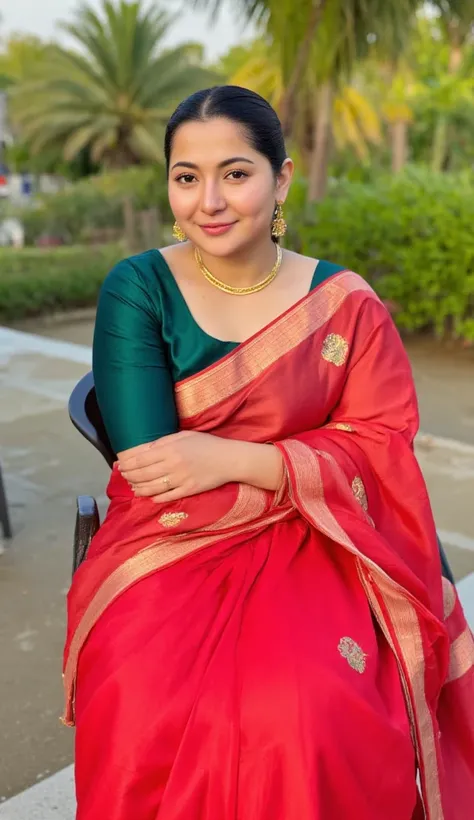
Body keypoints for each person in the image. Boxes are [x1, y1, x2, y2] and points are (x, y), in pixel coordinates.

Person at [63, 86, 474, 820]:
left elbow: (381, 442)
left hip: (327, 538)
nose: (209, 201)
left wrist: (236, 460)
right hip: (173, 540)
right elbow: (154, 466)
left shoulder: (345, 304)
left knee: (308, 708)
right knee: (143, 693)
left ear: (281, 178)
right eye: (186, 177)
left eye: (236, 172)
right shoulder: (140, 287)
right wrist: (291, 459)